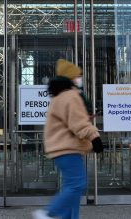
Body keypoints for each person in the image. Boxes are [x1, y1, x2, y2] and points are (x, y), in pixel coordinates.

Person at [32, 59, 103, 219]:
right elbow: (78, 122)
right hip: (67, 149)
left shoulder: (59, 97)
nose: (80, 78)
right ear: (71, 78)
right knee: (77, 184)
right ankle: (47, 213)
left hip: (61, 150)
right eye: (78, 76)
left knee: (72, 189)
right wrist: (94, 136)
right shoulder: (71, 96)